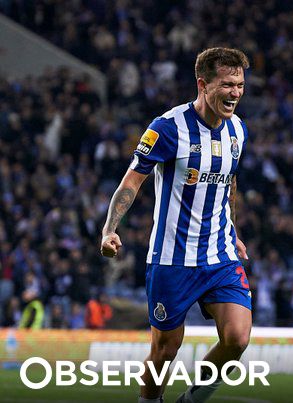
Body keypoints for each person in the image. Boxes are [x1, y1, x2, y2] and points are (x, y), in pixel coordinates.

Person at [100, 47, 252, 403]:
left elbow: (228, 182)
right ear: (203, 84)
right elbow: (131, 182)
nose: (235, 93)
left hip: (219, 255)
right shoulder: (168, 128)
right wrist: (110, 228)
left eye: (241, 85)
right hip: (172, 259)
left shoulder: (239, 131)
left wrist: (234, 233)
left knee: (238, 338)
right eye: (227, 85)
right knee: (165, 350)